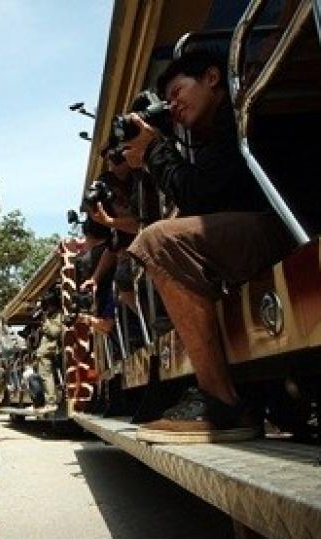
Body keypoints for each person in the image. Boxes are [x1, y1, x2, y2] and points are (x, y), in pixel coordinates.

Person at [121, 50, 294, 443]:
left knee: (159, 240)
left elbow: (201, 196)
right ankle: (245, 390)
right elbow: (206, 200)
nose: (173, 105)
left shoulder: (243, 108)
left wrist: (154, 152)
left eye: (178, 91)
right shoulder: (213, 132)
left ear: (212, 77)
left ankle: (222, 403)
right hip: (266, 228)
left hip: (289, 225)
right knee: (167, 241)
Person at [36, 289, 63, 409]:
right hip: (44, 352)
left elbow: (55, 332)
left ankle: (51, 401)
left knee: (47, 377)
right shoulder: (52, 316)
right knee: (44, 377)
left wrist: (45, 322)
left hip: (50, 351)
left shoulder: (58, 316)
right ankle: (48, 400)